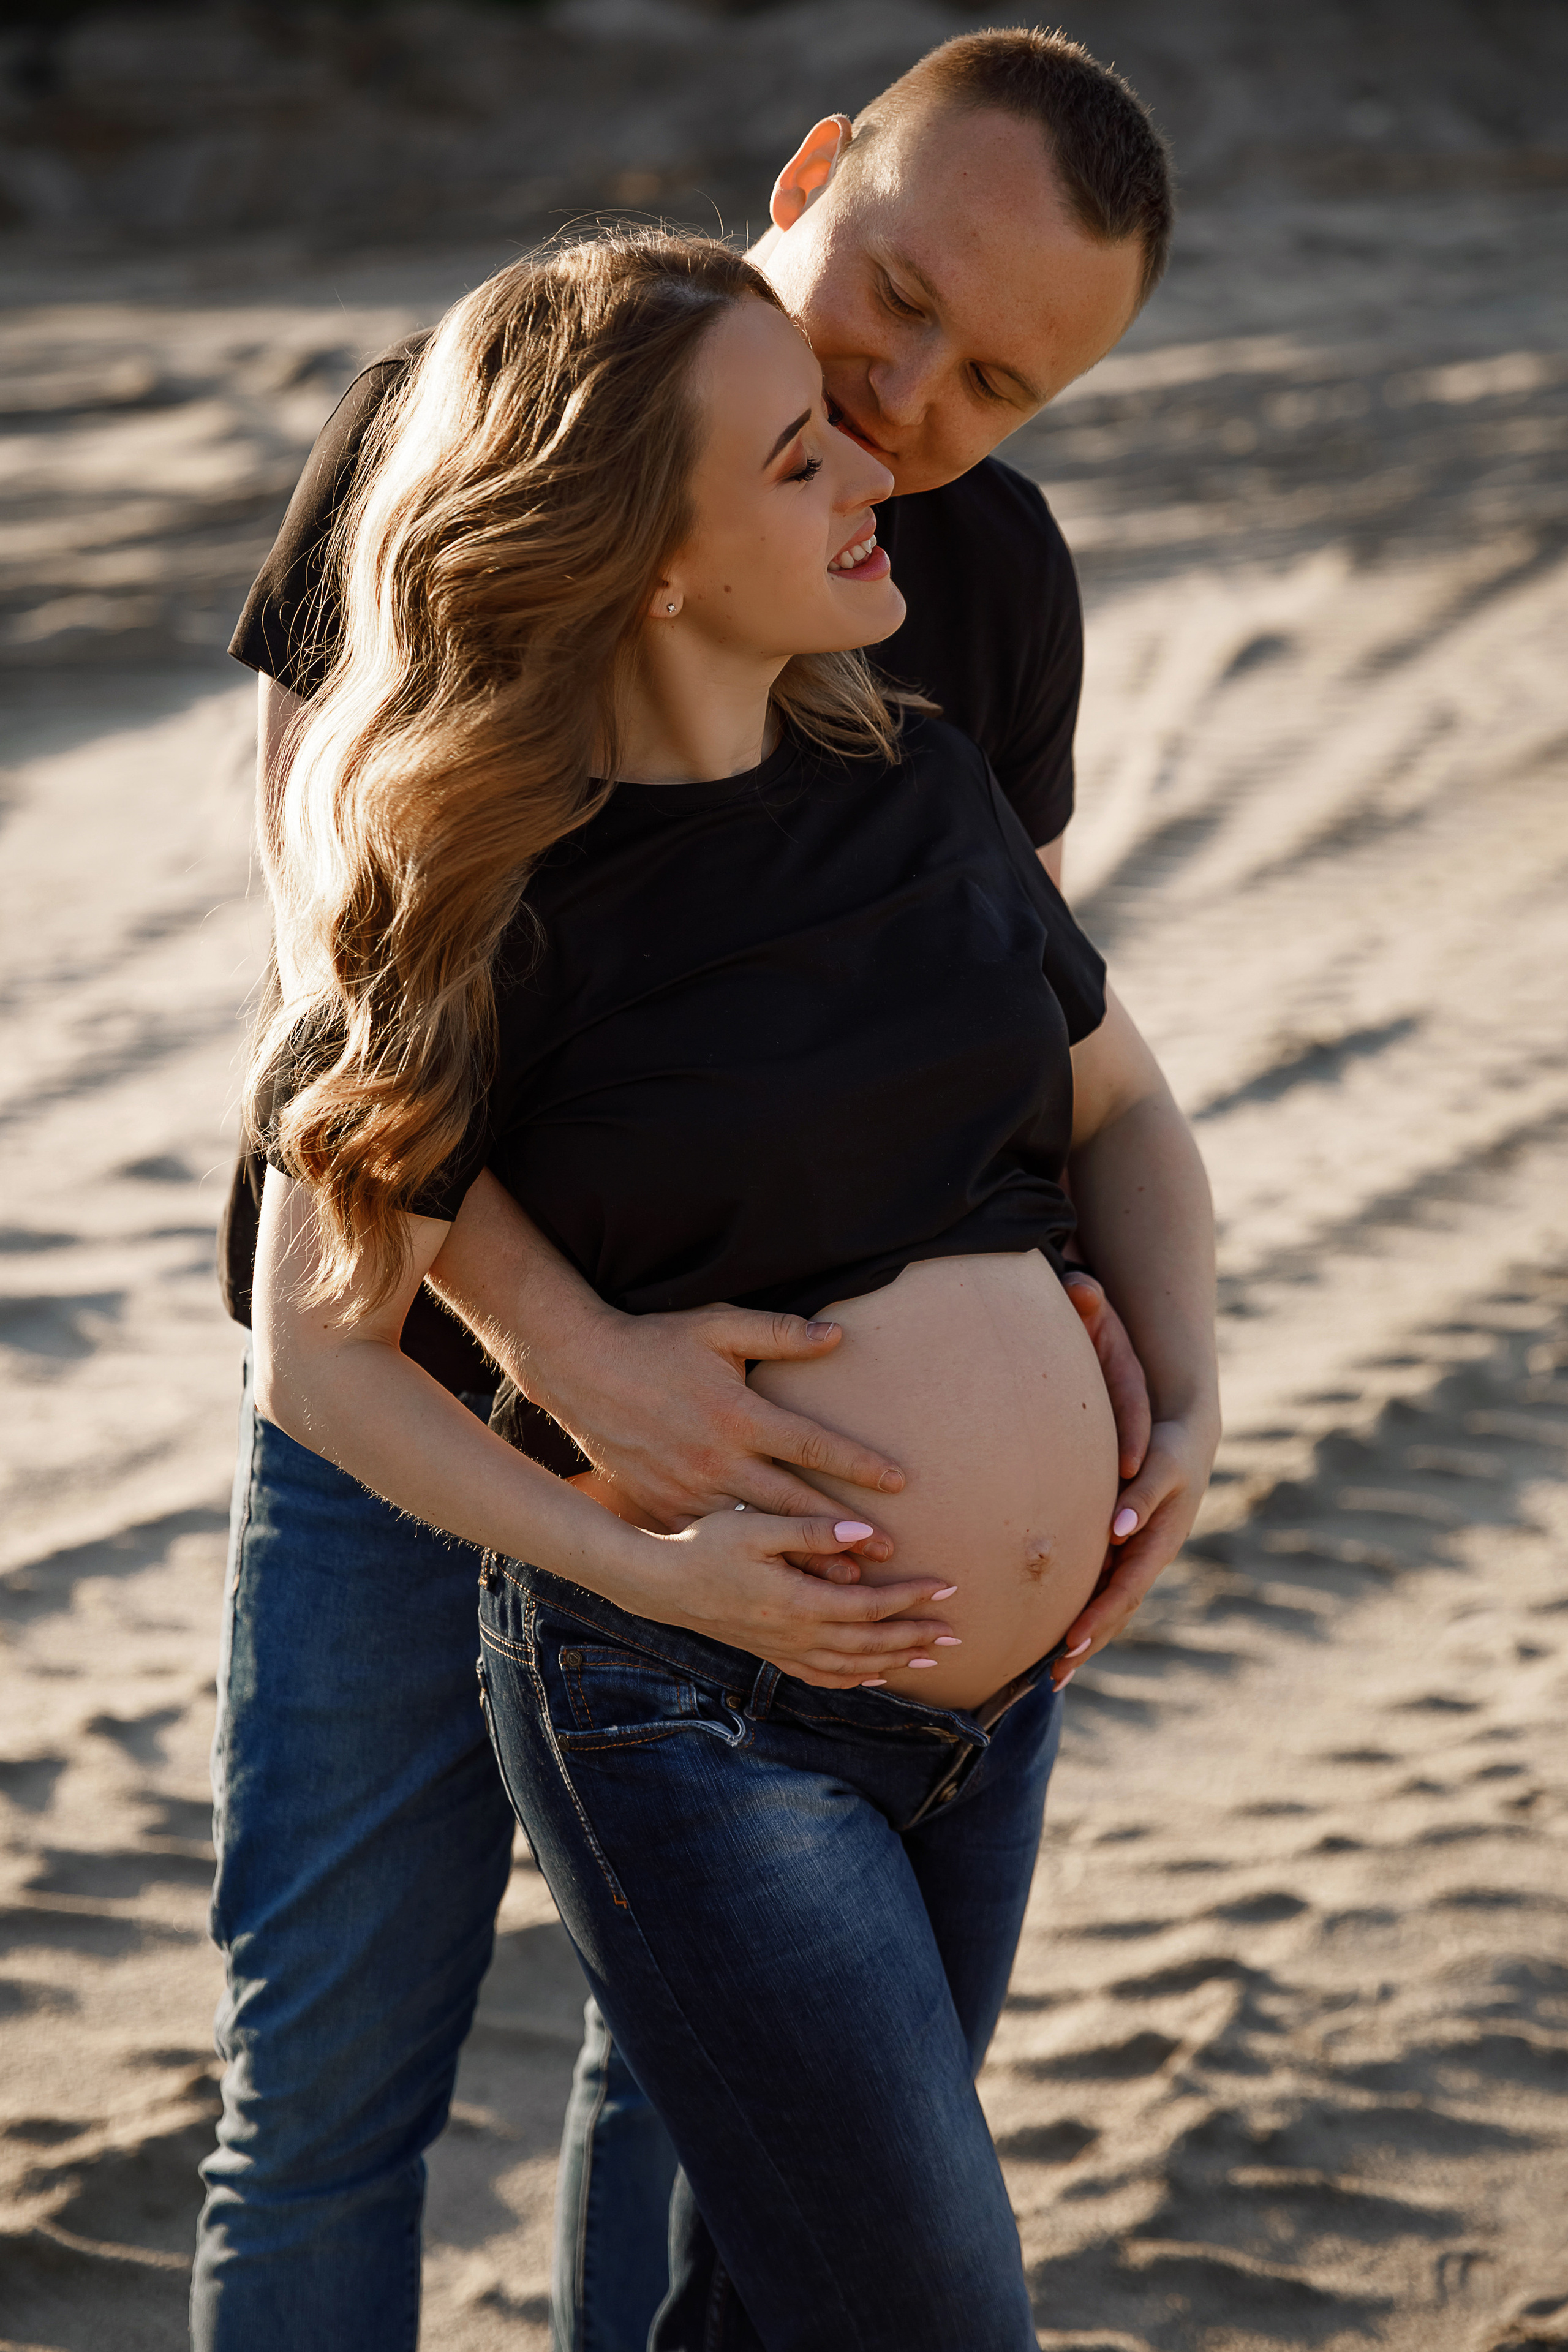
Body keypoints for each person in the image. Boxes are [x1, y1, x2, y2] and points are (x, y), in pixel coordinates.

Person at [195, 29, 1212, 2351]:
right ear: (814, 164)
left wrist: (1119, 1375)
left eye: (996, 385)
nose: (906, 403)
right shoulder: (475, 425)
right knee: (334, 2071)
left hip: (772, 1520)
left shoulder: (966, 578)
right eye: (900, 296)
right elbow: (340, 974)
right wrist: (574, 1357)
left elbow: (1007, 1043)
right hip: (414, 1396)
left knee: (689, 2112)